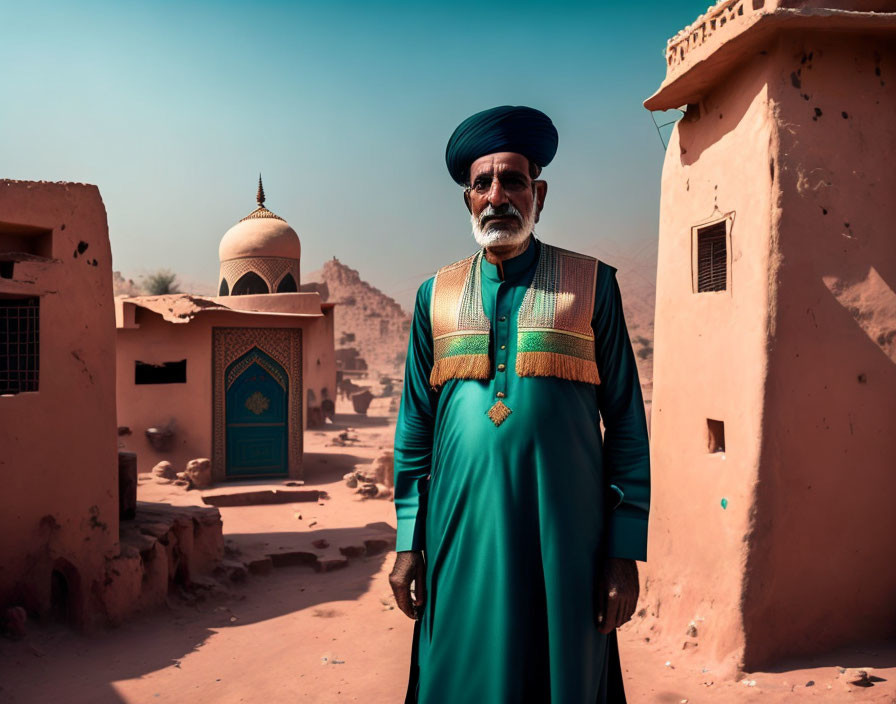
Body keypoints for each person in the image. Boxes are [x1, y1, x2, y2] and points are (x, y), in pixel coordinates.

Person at [390, 105, 650, 703]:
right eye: (482, 184)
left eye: (512, 181)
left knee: (562, 677)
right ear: (467, 200)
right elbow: (414, 430)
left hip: (566, 541)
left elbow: (628, 424)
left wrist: (622, 551)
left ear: (540, 192)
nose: (497, 196)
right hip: (461, 539)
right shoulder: (436, 296)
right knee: (459, 675)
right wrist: (409, 542)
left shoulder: (591, 285)